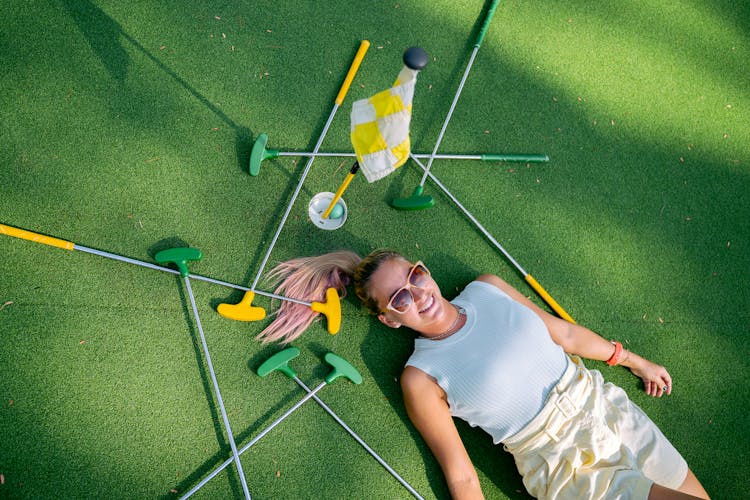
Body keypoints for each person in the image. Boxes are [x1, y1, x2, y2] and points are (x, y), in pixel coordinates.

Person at [257, 249, 710, 499]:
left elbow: (567, 337)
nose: (416, 294)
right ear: (389, 320)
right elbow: (461, 475)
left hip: (605, 407)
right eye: (398, 299)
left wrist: (633, 360)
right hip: (564, 464)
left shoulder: (487, 288)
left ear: (424, 269)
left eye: (414, 276)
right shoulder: (421, 377)